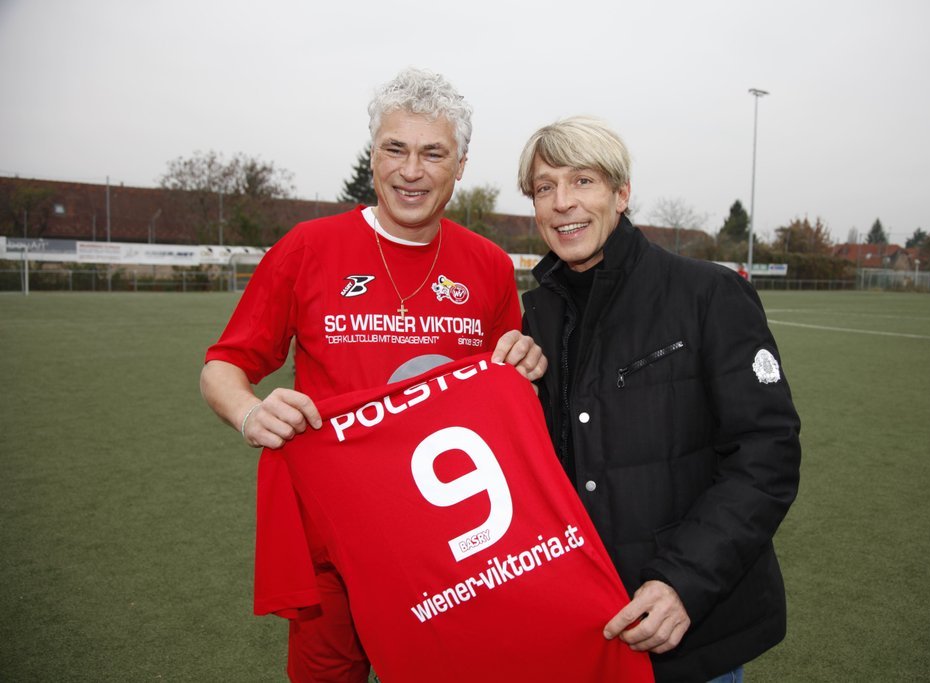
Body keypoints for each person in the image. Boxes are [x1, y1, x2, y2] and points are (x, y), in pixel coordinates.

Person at [200, 68, 545, 682]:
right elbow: (224, 365)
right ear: (372, 155)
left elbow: (505, 390)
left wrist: (526, 367)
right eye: (395, 148)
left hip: (448, 537)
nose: (411, 170)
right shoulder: (307, 247)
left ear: (460, 166)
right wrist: (250, 412)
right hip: (333, 537)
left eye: (433, 153)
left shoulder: (489, 265)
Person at [517, 116, 801, 682]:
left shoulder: (708, 293)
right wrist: (512, 390)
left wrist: (683, 582)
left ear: (622, 193)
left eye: (583, 181)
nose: (562, 202)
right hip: (583, 628)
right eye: (545, 187)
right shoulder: (536, 318)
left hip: (690, 633)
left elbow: (766, 455)